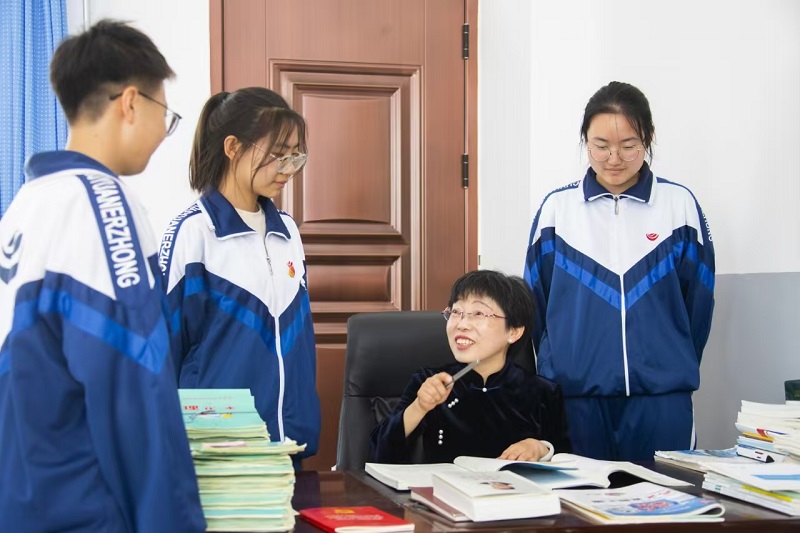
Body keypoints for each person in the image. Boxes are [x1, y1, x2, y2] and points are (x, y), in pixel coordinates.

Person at [0, 20, 205, 532]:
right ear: (131, 103)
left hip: (25, 496)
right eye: (165, 114)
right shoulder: (102, 204)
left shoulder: (24, 206)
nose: (162, 133)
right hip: (84, 506)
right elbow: (134, 383)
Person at [523, 81, 715, 461]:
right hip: (574, 399)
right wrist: (560, 367)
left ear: (648, 139)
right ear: (585, 142)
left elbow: (698, 302)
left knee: (667, 496)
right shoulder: (557, 210)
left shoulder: (678, 205)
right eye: (600, 145)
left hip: (661, 400)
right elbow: (536, 305)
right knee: (578, 499)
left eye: (629, 145)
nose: (614, 158)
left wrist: (668, 362)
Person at [159, 87, 320, 467]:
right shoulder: (194, 233)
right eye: (277, 154)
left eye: (295, 155)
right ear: (233, 147)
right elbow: (163, 354)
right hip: (218, 450)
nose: (288, 168)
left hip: (288, 446)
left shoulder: (287, 231)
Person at [369, 270, 571, 464]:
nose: (462, 324)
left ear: (514, 331)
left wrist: (541, 448)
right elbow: (379, 454)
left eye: (479, 313)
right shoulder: (429, 382)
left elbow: (568, 464)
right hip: (442, 488)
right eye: (456, 312)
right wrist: (419, 407)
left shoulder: (543, 392)